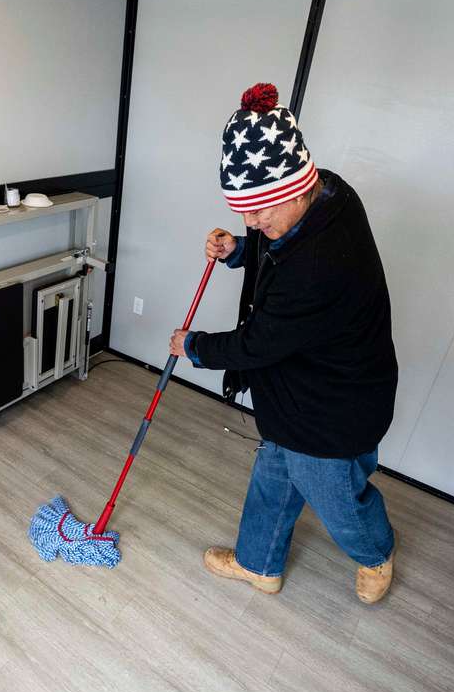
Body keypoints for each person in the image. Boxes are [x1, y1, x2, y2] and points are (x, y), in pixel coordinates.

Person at [169, 82, 399, 603]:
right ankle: (260, 564)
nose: (250, 221)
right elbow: (280, 252)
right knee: (274, 473)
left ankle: (375, 550)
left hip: (332, 409)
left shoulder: (318, 267)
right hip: (297, 393)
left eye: (259, 212)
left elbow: (257, 343)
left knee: (335, 496)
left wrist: (195, 346)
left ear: (295, 190)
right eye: (243, 210)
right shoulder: (328, 193)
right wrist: (239, 251)